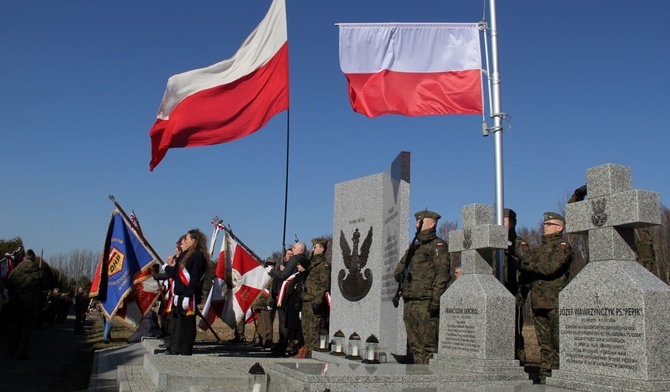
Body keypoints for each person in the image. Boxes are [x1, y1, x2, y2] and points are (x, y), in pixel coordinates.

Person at [515, 212, 573, 384]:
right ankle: (545, 377)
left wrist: (524, 265)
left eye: (548, 224)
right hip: (538, 302)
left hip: (555, 302)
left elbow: (550, 269)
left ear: (559, 227)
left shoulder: (562, 247)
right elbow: (528, 271)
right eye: (544, 224)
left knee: (558, 344)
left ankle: (560, 376)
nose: (544, 226)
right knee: (544, 345)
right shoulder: (538, 249)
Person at [393, 210, 452, 364]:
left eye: (420, 221)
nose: (416, 224)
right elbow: (399, 268)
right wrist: (400, 275)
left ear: (431, 224)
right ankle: (419, 377)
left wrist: (436, 300)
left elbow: (442, 275)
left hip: (426, 302)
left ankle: (430, 382)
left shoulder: (437, 245)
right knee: (415, 345)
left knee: (429, 347)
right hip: (410, 301)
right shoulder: (415, 247)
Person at [569, 184, 657, 273]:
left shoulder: (634, 227)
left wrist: (641, 274)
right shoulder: (596, 222)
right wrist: (577, 196)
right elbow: (573, 216)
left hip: (627, 271)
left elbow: (646, 253)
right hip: (597, 270)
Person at [164, 229, 209, 356]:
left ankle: (186, 349)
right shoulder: (185, 255)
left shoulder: (198, 256)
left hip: (190, 295)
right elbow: (177, 275)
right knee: (181, 323)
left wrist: (188, 295)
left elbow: (194, 278)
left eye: (187, 239)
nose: (185, 241)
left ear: (194, 241)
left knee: (188, 323)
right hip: (181, 294)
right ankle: (177, 347)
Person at [6, 249, 48, 360]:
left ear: (24, 258)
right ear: (33, 259)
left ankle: (11, 349)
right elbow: (44, 286)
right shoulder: (38, 271)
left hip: (16, 303)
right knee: (26, 330)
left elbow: (8, 284)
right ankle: (21, 353)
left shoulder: (15, 271)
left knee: (14, 327)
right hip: (30, 305)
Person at [502, 208, 531, 365]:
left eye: (504, 219)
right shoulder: (493, 242)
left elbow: (527, 268)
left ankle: (519, 362)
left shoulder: (519, 243)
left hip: (513, 293)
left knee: (514, 332)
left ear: (512, 222)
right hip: (497, 295)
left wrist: (520, 295)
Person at [267, 243, 307, 356]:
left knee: (285, 322)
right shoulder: (303, 259)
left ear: (301, 250)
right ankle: (286, 345)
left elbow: (284, 275)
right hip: (295, 295)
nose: (292, 249)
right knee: (289, 322)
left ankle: (283, 346)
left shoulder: (296, 258)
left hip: (290, 295)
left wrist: (271, 270)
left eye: (294, 248)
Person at [295, 237, 331, 359]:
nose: (313, 249)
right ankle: (307, 350)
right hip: (306, 299)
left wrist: (317, 300)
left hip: (314, 301)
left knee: (313, 330)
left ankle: (312, 354)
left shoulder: (323, 265)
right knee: (305, 329)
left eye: (315, 247)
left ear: (321, 248)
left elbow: (324, 284)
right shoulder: (311, 263)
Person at [250, 277, 274, 348]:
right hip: (258, 300)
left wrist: (269, 302)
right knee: (260, 321)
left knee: (266, 321)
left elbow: (270, 289)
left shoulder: (270, 275)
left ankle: (268, 340)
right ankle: (261, 338)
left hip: (265, 300)